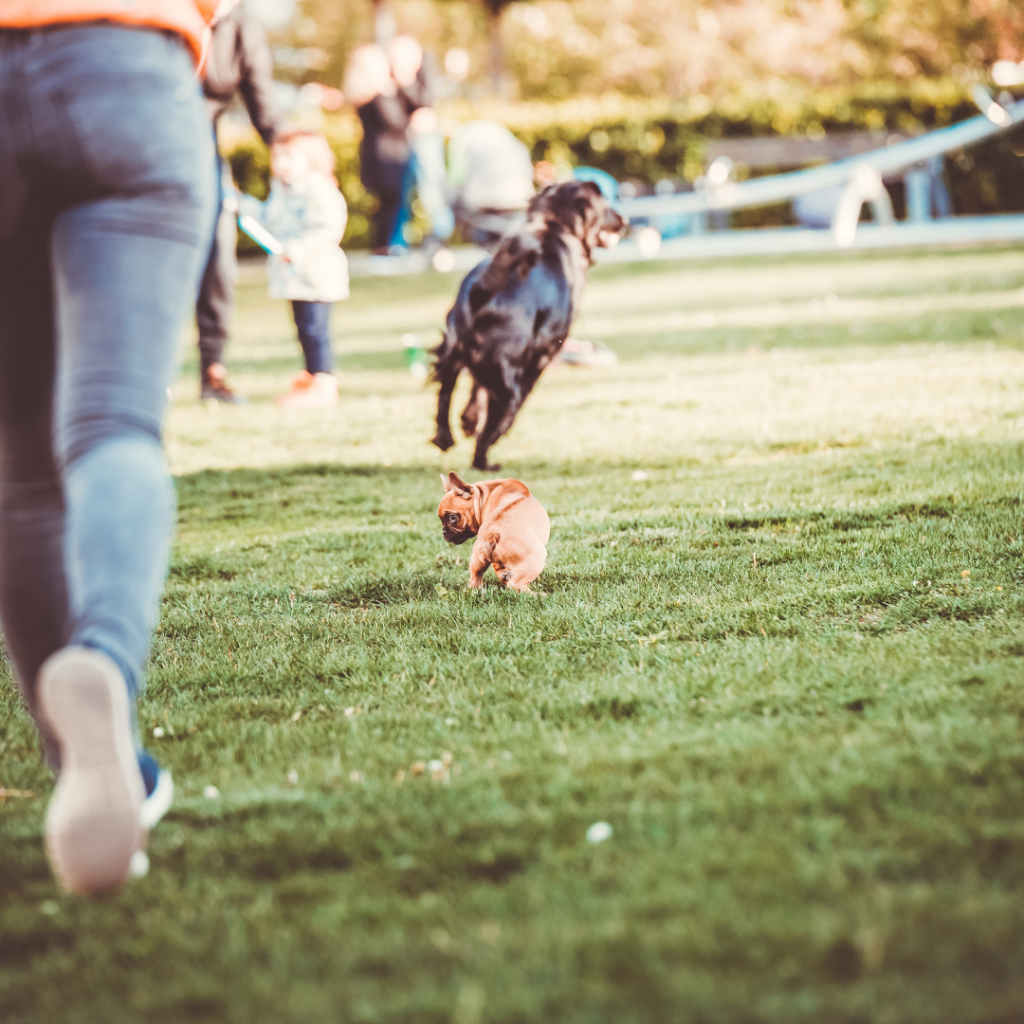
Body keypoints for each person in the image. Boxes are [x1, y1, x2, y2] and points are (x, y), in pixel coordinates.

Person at [0, 7, 215, 892]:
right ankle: (104, 659)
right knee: (113, 426)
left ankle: (98, 766)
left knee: (17, 474)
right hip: (126, 62)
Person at [197, 0, 280, 403]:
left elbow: (262, 100)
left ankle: (213, 370)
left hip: (202, 151)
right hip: (137, 143)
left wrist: (290, 152)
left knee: (218, 261)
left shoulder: (241, 23)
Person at [239, 131, 349, 408]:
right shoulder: (281, 190)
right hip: (294, 279)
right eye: (278, 156)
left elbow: (328, 228)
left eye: (289, 156)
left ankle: (324, 381)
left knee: (316, 329)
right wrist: (243, 205)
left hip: (317, 275)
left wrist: (297, 250)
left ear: (311, 160)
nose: (281, 163)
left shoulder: (319, 189)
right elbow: (269, 219)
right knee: (302, 328)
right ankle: (310, 375)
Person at [388, 34, 454, 252]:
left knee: (431, 186)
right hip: (400, 140)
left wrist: (406, 83)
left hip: (424, 139)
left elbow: (426, 105)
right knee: (400, 191)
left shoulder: (425, 71)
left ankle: (440, 236)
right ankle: (397, 242)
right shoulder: (389, 75)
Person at [345, 43, 413, 255]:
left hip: (376, 155)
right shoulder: (378, 96)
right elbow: (396, 122)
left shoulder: (361, 96)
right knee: (394, 204)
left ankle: (384, 244)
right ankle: (390, 245)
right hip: (391, 156)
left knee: (385, 204)